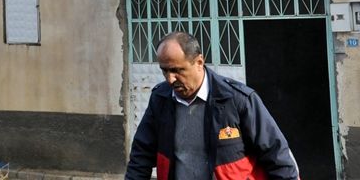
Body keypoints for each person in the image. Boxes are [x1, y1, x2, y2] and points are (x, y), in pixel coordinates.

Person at [125, 32, 300, 180]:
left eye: (177, 70)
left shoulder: (237, 100)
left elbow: (277, 156)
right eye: (165, 71)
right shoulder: (160, 99)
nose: (170, 79)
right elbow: (141, 155)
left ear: (199, 62)